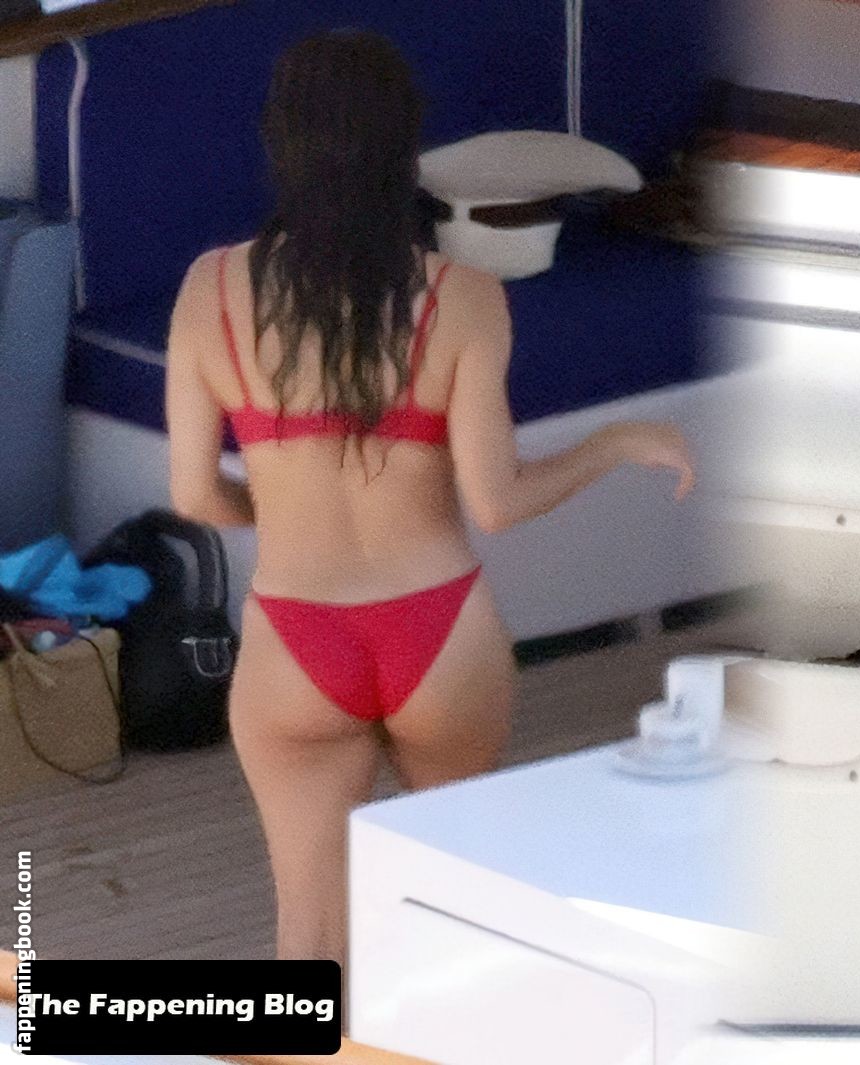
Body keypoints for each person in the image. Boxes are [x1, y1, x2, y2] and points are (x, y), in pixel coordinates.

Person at [164, 30, 695, 966]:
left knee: (309, 942)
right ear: (404, 153)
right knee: (461, 918)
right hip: (439, 630)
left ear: (281, 142)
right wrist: (613, 442)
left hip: (294, 632)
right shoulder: (465, 295)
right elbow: (496, 503)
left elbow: (196, 494)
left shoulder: (210, 290)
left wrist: (284, 512)